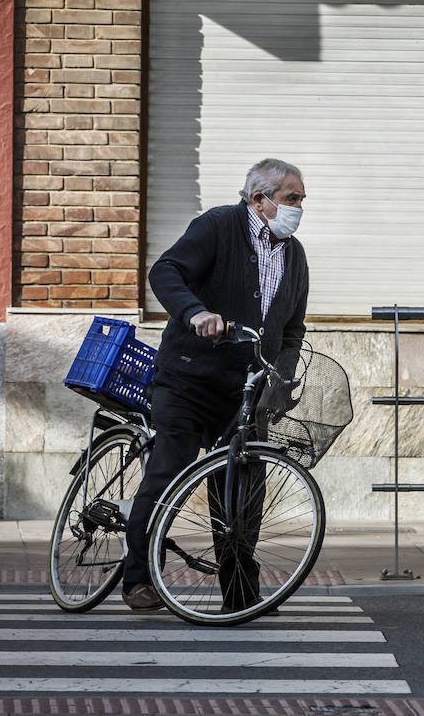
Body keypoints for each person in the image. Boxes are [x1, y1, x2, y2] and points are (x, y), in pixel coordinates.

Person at [120, 158, 310, 611]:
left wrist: (279, 380)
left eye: (301, 200)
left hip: (246, 390)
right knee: (170, 471)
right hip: (188, 378)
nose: (299, 208)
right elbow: (165, 271)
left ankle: (240, 593)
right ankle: (138, 577)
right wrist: (195, 313)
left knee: (243, 490)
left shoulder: (294, 254)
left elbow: (292, 328)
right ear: (259, 199)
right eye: (292, 199)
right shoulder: (220, 225)